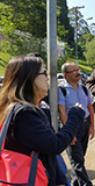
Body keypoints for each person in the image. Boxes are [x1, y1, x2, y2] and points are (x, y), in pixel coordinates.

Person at [0, 56, 85, 186]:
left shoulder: (19, 108)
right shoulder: (25, 113)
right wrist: (74, 115)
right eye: (44, 72)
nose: (49, 78)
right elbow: (54, 145)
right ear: (29, 78)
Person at [58, 62, 94, 186]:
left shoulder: (84, 88)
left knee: (80, 158)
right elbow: (62, 112)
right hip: (71, 128)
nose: (77, 72)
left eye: (77, 69)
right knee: (77, 161)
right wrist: (70, 133)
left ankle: (75, 183)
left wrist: (92, 126)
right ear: (65, 74)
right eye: (73, 70)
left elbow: (90, 107)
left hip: (84, 125)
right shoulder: (61, 90)